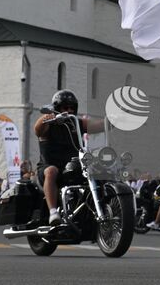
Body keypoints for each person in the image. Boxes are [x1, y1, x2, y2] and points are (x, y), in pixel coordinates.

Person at [34, 89, 105, 225]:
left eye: (72, 107)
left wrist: (114, 120)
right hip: (48, 167)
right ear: (57, 108)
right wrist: (46, 118)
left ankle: (98, 209)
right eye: (65, 107)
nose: (69, 110)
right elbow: (37, 129)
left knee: (98, 169)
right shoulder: (48, 124)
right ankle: (53, 212)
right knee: (52, 171)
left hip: (72, 167)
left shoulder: (76, 122)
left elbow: (97, 125)